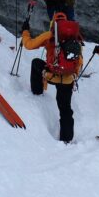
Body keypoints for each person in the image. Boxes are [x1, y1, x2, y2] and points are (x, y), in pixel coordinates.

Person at [22, 12, 82, 143]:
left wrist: (25, 32)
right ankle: (66, 139)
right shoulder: (75, 37)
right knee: (65, 108)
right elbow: (79, 60)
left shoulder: (49, 35)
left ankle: (37, 91)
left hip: (51, 75)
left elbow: (28, 45)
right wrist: (74, 75)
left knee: (36, 63)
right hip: (67, 79)